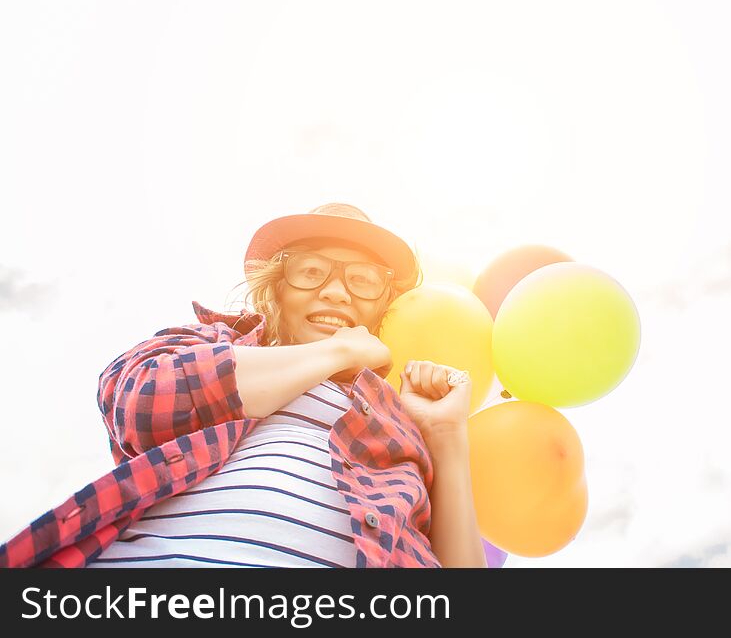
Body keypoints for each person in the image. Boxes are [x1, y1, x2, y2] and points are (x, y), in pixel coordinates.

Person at [0, 203, 488, 568]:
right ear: (276, 286)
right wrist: (339, 352)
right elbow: (138, 402)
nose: (336, 291)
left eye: (362, 280)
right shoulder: (211, 343)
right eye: (311, 272)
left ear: (385, 307)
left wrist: (447, 437)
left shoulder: (403, 418)